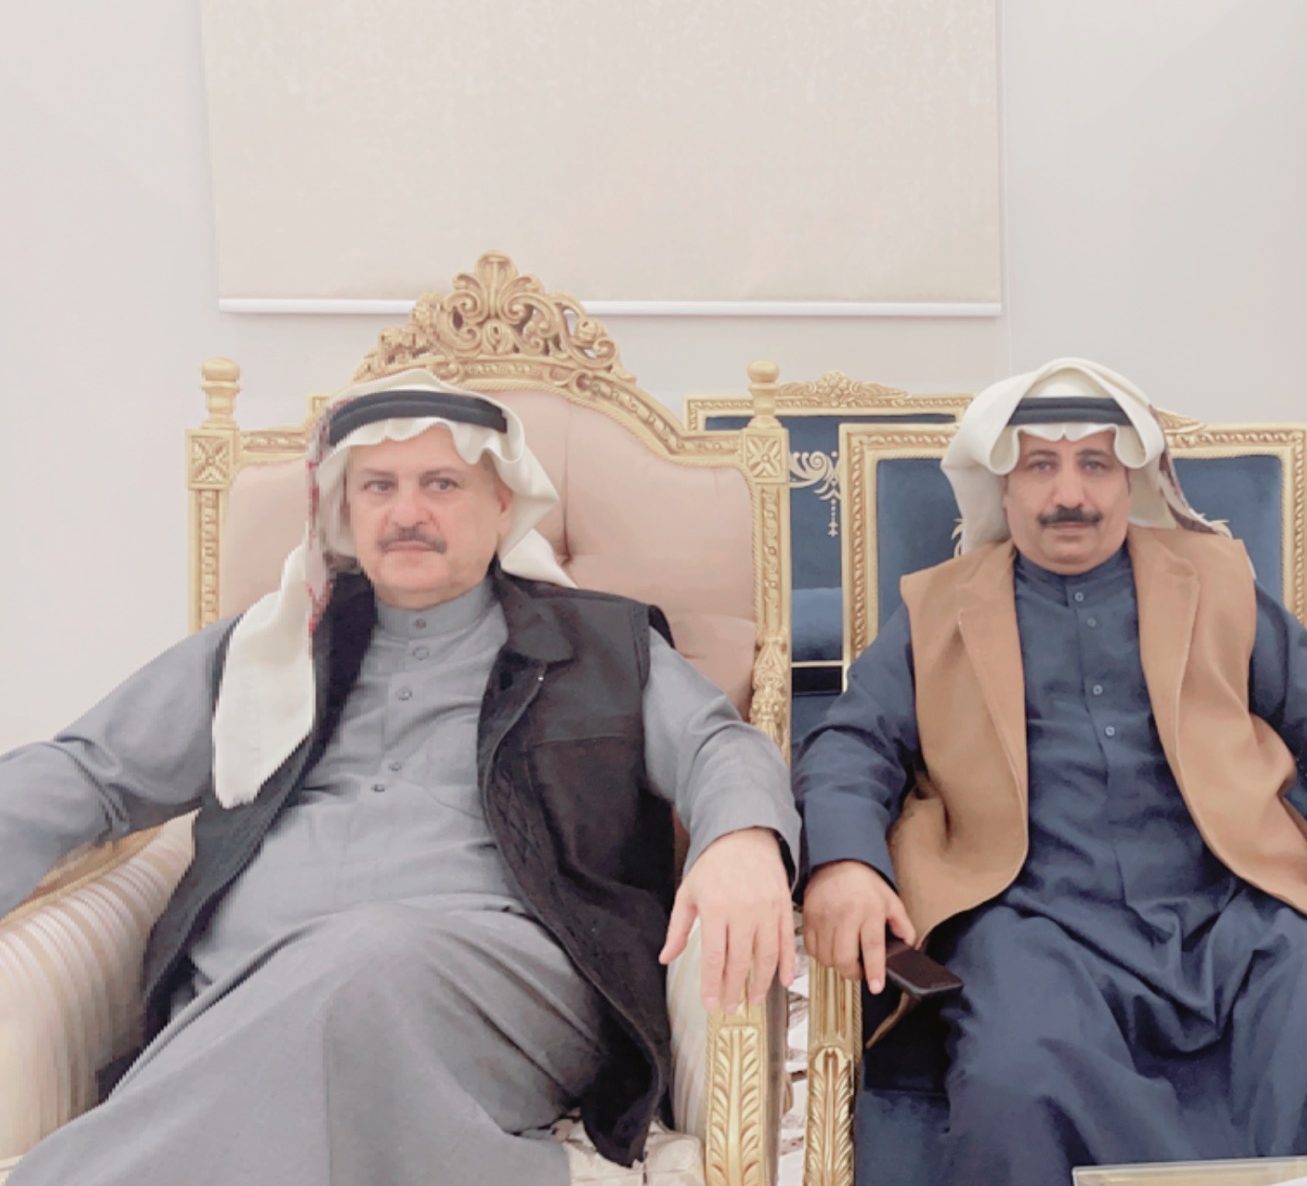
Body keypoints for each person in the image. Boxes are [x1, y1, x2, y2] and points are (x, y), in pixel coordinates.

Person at [1, 370, 799, 1185]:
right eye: (378, 486)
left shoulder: (600, 646)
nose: (406, 512)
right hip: (240, 984)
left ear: (502, 504)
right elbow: (89, 771)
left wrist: (742, 838)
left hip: (500, 990)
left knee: (365, 954)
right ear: (346, 509)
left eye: (440, 484)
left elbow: (718, 745)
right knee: (327, 993)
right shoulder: (268, 646)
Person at [796, 359, 1307, 1182]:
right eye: (1041, 466)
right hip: (1031, 920)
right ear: (1004, 487)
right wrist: (844, 861)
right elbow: (852, 743)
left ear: (1129, 480)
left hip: (1235, 905)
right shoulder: (938, 608)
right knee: (1019, 1083)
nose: (1070, 495)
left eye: (1095, 464)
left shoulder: (1213, 580)